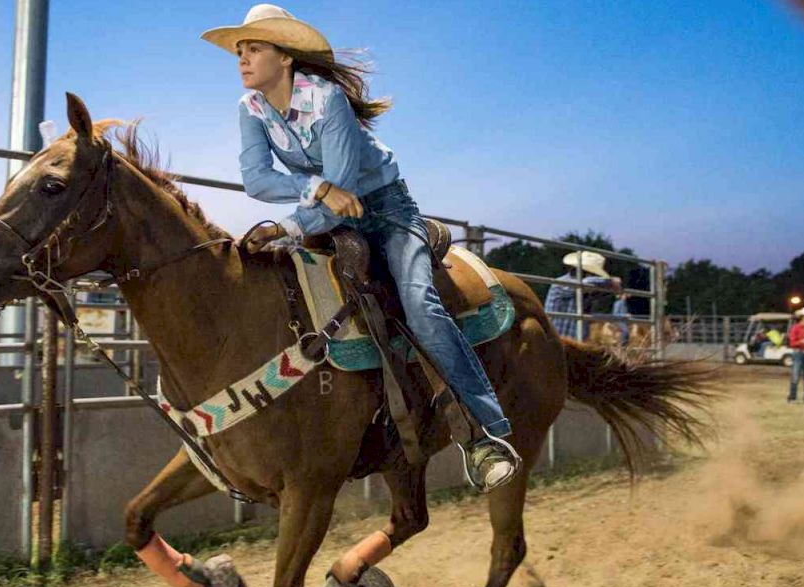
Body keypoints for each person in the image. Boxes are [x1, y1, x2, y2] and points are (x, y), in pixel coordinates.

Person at [201, 4, 519, 492]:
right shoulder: (250, 110)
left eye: (254, 48)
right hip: (326, 206)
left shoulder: (328, 102)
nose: (242, 59)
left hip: (387, 210)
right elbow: (257, 180)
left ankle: (485, 436)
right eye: (239, 51)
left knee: (421, 305)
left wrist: (292, 221)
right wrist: (316, 190)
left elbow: (346, 195)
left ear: (285, 58)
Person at [544, 251, 622, 341]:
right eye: (593, 274)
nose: (594, 276)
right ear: (585, 272)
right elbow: (585, 283)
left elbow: (595, 292)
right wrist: (610, 281)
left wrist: (609, 288)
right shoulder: (561, 283)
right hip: (557, 340)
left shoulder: (582, 290)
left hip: (573, 343)